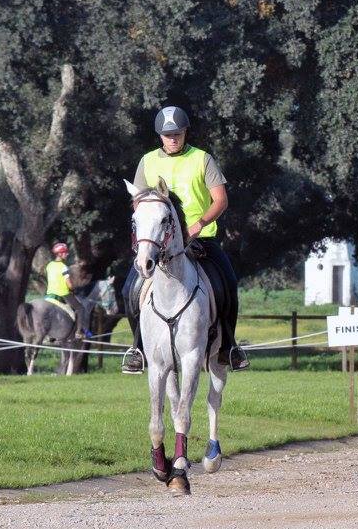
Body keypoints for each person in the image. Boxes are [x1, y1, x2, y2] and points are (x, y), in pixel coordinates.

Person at [120, 105, 249, 374]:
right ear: (160, 136)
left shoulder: (203, 159)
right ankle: (138, 348)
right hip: (160, 243)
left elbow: (220, 200)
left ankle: (229, 347)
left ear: (185, 132)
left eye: (177, 133)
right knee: (128, 289)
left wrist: (199, 224)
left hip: (200, 239)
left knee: (228, 284)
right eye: (168, 135)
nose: (173, 139)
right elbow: (139, 202)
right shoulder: (147, 161)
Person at [44, 242, 88, 340]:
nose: (67, 254)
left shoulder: (49, 265)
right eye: (65, 252)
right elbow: (69, 285)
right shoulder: (64, 267)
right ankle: (78, 332)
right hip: (63, 294)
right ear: (59, 254)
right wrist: (73, 288)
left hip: (49, 295)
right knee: (80, 308)